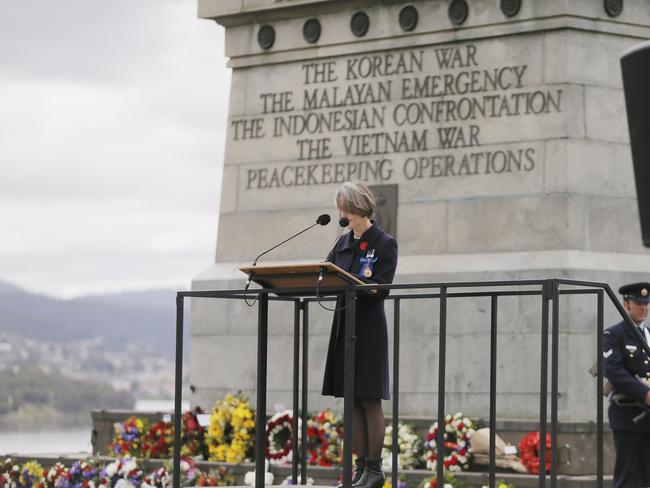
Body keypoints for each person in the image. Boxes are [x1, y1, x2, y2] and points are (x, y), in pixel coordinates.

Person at [321, 181, 398, 488]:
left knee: (369, 398)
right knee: (351, 398)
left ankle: (375, 470)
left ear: (361, 207)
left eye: (347, 209)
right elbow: (325, 273)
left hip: (367, 326)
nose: (343, 215)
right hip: (345, 323)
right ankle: (360, 469)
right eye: (341, 209)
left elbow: (381, 286)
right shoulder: (342, 242)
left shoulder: (384, 242)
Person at [603, 282, 650, 488]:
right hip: (628, 416)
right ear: (626, 305)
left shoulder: (648, 334)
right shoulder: (614, 334)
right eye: (638, 303)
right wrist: (644, 393)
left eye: (646, 303)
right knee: (628, 475)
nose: (644, 308)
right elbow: (613, 370)